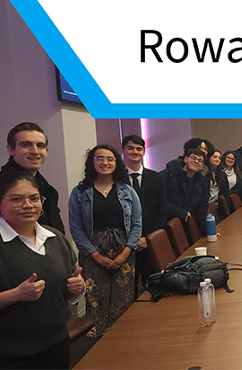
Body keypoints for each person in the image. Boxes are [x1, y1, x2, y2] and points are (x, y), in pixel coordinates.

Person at [0, 171, 85, 370]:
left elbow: (64, 290)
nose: (28, 205)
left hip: (55, 345)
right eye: (16, 199)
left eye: (34, 198)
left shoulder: (55, 238)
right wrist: (14, 295)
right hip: (3, 355)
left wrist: (76, 289)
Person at [68, 145, 142, 338]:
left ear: (116, 163)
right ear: (92, 162)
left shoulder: (127, 191)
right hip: (93, 252)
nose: (105, 163)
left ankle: (123, 339)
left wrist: (126, 252)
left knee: (123, 299)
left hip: (124, 251)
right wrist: (95, 255)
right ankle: (100, 347)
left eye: (110, 159)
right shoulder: (80, 192)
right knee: (96, 300)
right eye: (100, 158)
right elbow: (75, 228)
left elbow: (136, 224)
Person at [0, 122, 64, 242]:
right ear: (11, 149)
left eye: (40, 146)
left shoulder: (48, 191)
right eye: (26, 145)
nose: (35, 151)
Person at [121, 135, 168, 293]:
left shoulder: (156, 178)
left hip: (149, 240)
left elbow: (162, 211)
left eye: (139, 149)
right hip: (124, 245)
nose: (135, 151)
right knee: (128, 289)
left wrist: (147, 238)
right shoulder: (116, 179)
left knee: (153, 286)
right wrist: (131, 240)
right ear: (123, 151)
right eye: (130, 148)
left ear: (144, 152)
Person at [163, 148, 209, 236]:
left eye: (200, 161)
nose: (196, 162)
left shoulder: (201, 183)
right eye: (193, 158)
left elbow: (201, 210)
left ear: (202, 166)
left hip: (187, 227)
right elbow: (160, 201)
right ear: (185, 159)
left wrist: (208, 232)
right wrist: (180, 212)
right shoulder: (169, 175)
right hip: (166, 224)